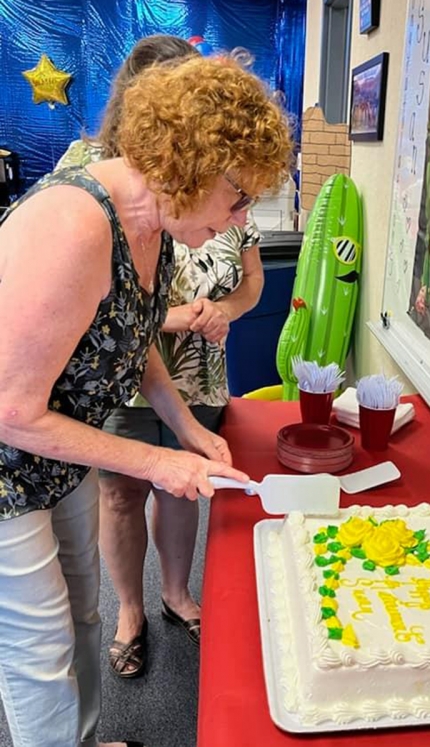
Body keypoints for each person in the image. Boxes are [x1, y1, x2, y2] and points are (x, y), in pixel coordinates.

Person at [0, 52, 292, 747]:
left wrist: (185, 429)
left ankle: (88, 739)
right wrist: (155, 463)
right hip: (9, 463)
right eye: (238, 196)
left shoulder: (153, 229)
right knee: (39, 653)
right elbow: (11, 407)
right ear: (193, 162)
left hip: (54, 450)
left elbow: (135, 343)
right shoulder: (76, 221)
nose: (237, 219)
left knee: (84, 618)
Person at [56, 35, 266, 680]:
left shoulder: (208, 206)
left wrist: (222, 315)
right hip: (104, 391)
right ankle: (132, 611)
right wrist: (163, 319)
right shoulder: (90, 186)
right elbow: (84, 316)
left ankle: (175, 595)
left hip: (191, 374)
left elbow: (246, 279)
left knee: (183, 485)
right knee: (117, 498)